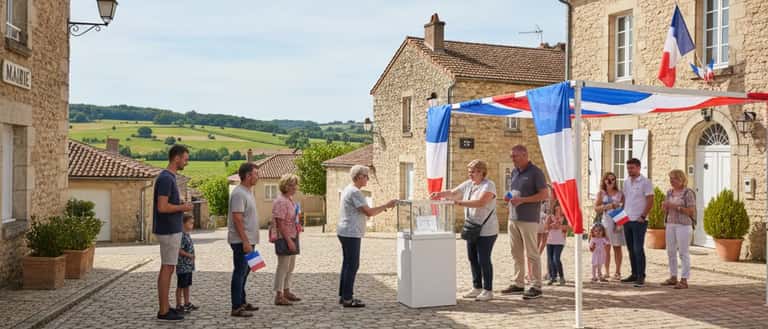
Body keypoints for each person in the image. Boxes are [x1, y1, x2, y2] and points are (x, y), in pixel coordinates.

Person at [431, 160, 498, 301]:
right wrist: (439, 194)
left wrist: (458, 203)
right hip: (472, 227)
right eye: (469, 171)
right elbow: (453, 192)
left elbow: (481, 202)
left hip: (487, 229)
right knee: (472, 258)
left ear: (481, 172)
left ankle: (488, 290)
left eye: (473, 171)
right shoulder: (469, 184)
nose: (470, 174)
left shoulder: (489, 185)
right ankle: (477, 287)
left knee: (483, 259)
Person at [337, 165, 397, 308]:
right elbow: (368, 212)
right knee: (352, 265)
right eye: (366, 176)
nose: (368, 179)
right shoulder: (355, 192)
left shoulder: (348, 189)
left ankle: (344, 295)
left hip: (345, 231)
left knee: (347, 264)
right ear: (358, 177)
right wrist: (386, 205)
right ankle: (347, 298)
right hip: (351, 232)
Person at [500, 145, 549, 300]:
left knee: (532, 254)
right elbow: (515, 191)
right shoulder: (514, 172)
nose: (512, 159)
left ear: (524, 155)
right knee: (516, 253)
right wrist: (508, 197)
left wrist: (523, 200)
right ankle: (518, 283)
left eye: (514, 156)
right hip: (513, 218)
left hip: (529, 219)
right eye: (511, 156)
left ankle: (536, 286)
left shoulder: (536, 173)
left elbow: (544, 194)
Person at [153, 144, 193, 322]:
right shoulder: (166, 179)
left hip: (171, 229)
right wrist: (183, 207)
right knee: (167, 268)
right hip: (168, 230)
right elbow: (162, 207)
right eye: (185, 159)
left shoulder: (169, 178)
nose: (187, 162)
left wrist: (180, 205)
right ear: (176, 158)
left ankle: (166, 307)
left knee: (168, 268)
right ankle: (163, 311)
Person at [228, 162, 261, 317]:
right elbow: (237, 219)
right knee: (240, 272)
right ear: (248, 176)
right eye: (256, 174)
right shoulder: (238, 193)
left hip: (249, 240)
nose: (258, 176)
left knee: (246, 271)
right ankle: (236, 307)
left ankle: (242, 301)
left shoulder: (248, 192)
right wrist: (245, 241)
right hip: (241, 241)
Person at [621, 158, 654, 287]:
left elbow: (650, 200)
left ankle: (641, 276)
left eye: (632, 168)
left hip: (639, 220)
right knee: (630, 249)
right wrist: (621, 216)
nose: (630, 170)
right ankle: (634, 274)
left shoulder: (646, 182)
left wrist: (643, 215)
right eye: (628, 168)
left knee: (638, 248)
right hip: (627, 219)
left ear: (639, 168)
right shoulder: (626, 182)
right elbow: (625, 199)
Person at [661, 169, 696, 289]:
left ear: (681, 179)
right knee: (670, 251)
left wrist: (676, 207)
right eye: (670, 179)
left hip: (684, 225)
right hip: (670, 224)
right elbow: (666, 209)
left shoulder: (688, 193)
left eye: (674, 179)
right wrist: (664, 207)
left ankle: (684, 279)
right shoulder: (669, 192)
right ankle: (673, 277)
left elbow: (691, 212)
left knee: (683, 252)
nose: (672, 181)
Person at [271, 174, 302, 305]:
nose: (295, 187)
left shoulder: (289, 200)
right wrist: (289, 241)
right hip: (284, 238)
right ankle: (279, 295)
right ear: (286, 186)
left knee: (290, 266)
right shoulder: (281, 201)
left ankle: (286, 290)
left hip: (293, 235)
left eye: (295, 184)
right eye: (292, 185)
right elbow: (280, 223)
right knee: (283, 266)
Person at [594, 172, 625, 280]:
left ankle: (618, 272)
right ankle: (606, 272)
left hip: (617, 221)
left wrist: (620, 224)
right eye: (608, 179)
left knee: (617, 248)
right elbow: (596, 208)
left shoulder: (620, 193)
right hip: (605, 221)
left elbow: (623, 209)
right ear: (604, 181)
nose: (610, 181)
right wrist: (609, 205)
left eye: (613, 179)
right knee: (606, 248)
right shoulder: (601, 194)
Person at [175, 214, 198, 313]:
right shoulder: (182, 236)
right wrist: (189, 255)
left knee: (187, 285)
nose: (192, 225)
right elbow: (178, 250)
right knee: (180, 286)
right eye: (190, 223)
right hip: (182, 266)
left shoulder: (187, 234)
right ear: (183, 224)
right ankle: (178, 305)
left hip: (188, 267)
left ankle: (187, 303)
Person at [545, 202, 567, 286]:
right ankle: (552, 277)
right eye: (557, 209)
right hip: (550, 241)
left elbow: (568, 228)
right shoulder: (550, 217)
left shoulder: (564, 218)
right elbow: (545, 227)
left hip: (560, 241)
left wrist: (559, 226)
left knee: (556, 259)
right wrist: (551, 226)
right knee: (550, 260)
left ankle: (561, 277)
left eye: (560, 209)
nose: (558, 210)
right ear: (554, 209)